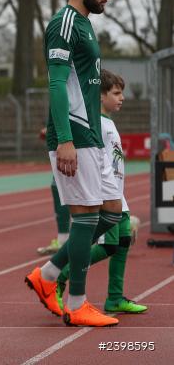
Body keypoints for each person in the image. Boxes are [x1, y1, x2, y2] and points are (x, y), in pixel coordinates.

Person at [24, 0, 121, 327]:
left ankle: (48, 275)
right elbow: (56, 83)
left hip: (92, 134)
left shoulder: (84, 24)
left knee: (112, 212)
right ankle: (77, 303)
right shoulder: (64, 23)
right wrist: (64, 139)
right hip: (75, 135)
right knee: (86, 216)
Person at [54, 70, 147, 315]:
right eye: (116, 93)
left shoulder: (109, 123)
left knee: (123, 242)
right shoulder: (94, 124)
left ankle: (115, 298)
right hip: (105, 195)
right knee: (107, 247)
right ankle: (59, 278)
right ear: (100, 96)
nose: (122, 98)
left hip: (117, 193)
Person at [36, 127, 71, 255]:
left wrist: (54, 129)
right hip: (66, 146)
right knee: (58, 188)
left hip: (76, 146)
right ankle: (64, 239)